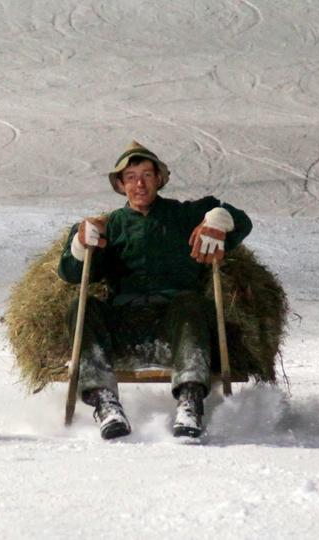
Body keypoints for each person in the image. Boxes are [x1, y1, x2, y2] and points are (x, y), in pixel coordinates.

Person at [58, 140, 252, 439]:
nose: (139, 184)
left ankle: (190, 401)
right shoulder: (108, 226)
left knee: (192, 303)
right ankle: (105, 402)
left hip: (176, 324)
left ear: (159, 179)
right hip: (124, 323)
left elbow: (240, 220)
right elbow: (71, 273)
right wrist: (80, 243)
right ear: (121, 185)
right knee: (83, 309)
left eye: (147, 175)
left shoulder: (185, 216)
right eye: (131, 177)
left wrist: (218, 219)